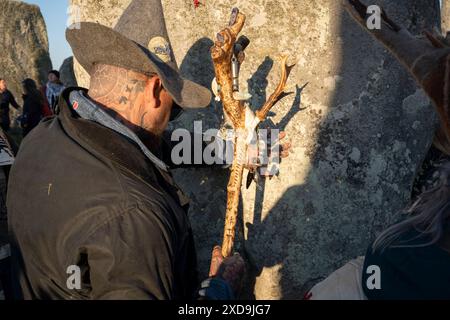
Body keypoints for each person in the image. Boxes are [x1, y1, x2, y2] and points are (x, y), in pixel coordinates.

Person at [7, 0, 248, 300]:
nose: (169, 123)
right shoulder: (136, 220)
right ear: (156, 90)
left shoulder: (42, 138)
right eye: (172, 111)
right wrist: (220, 290)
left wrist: (228, 150)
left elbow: (136, 147)